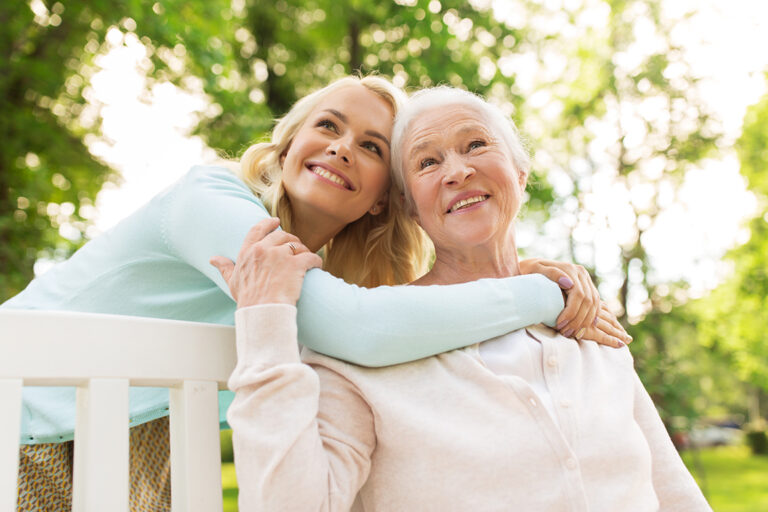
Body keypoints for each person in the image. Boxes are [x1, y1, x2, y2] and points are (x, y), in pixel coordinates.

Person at [3, 75, 627, 511]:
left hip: (133, 455)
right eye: (327, 126)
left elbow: (385, 324)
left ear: (387, 195)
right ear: (288, 143)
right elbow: (360, 329)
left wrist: (507, 274)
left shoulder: (322, 285)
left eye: (372, 147)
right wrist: (547, 294)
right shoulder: (208, 199)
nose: (340, 148)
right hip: (23, 427)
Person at [220, 86, 710, 511]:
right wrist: (265, 323)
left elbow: (675, 495)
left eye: (475, 144)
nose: (456, 171)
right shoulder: (365, 353)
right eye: (428, 162)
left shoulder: (587, 324)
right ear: (408, 207)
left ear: (520, 174)